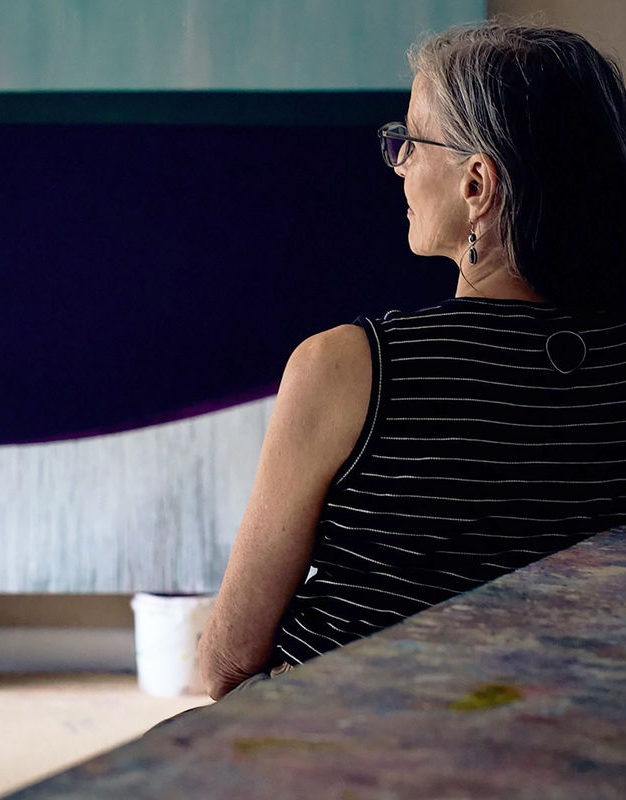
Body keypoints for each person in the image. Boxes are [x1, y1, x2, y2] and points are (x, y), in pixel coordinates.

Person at [198, 20, 626, 700]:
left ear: (477, 186)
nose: (397, 163)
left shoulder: (347, 369)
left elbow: (226, 661)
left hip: (351, 740)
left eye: (409, 142)